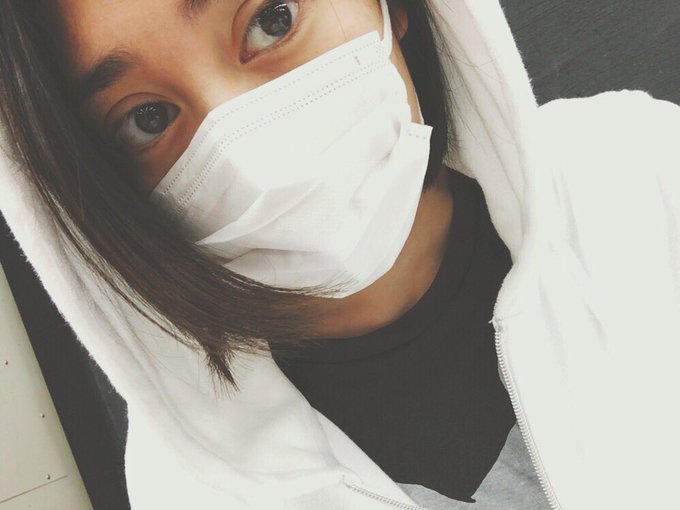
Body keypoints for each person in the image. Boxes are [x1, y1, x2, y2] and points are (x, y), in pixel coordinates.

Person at [0, 0, 678, 509]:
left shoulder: (642, 172)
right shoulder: (190, 490)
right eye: (147, 118)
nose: (253, 167)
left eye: (271, 19)